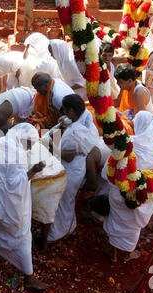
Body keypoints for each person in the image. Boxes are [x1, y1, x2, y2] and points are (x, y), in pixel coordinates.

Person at [0, 123, 48, 290]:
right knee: (23, 238)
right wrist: (34, 170)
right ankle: (29, 277)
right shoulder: (17, 153)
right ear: (22, 138)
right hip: (7, 209)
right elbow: (15, 185)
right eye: (28, 144)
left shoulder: (4, 141)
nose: (28, 149)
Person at [103, 111, 153, 262]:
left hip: (121, 189)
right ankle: (128, 252)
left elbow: (111, 165)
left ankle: (112, 251)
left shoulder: (129, 142)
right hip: (141, 193)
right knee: (132, 225)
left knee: (117, 219)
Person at [47, 94, 99, 242]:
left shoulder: (74, 132)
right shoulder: (86, 117)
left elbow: (67, 156)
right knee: (66, 201)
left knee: (64, 202)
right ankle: (70, 226)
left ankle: (59, 232)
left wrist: (48, 148)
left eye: (66, 111)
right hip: (77, 166)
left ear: (71, 111)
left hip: (71, 169)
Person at [114, 64, 153, 134]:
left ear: (129, 81)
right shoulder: (124, 87)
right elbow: (117, 102)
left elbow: (139, 121)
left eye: (120, 82)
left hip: (142, 129)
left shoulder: (139, 93)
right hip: (128, 121)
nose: (117, 83)